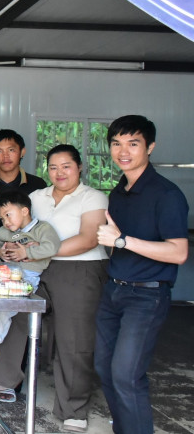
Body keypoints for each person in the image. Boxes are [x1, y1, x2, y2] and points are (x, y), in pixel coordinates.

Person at [94, 115, 188, 434]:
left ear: (150, 147)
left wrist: (122, 241)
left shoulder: (167, 194)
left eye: (133, 143)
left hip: (146, 295)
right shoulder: (119, 192)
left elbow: (179, 252)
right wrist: (115, 243)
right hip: (113, 290)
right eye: (116, 143)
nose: (123, 151)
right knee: (104, 368)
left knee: (126, 375)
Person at [28, 144, 109, 433]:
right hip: (38, 267)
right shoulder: (36, 197)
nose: (59, 172)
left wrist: (38, 250)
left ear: (79, 167)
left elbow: (89, 238)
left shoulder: (92, 197)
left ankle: (73, 408)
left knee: (73, 339)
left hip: (81, 268)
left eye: (66, 166)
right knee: (14, 311)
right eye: (53, 167)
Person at [0, 191, 59, 375]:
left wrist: (27, 253)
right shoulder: (6, 232)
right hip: (2, 274)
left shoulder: (42, 229)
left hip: (26, 278)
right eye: (1, 218)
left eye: (8, 215)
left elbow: (52, 247)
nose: (5, 221)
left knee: (4, 310)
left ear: (24, 211)